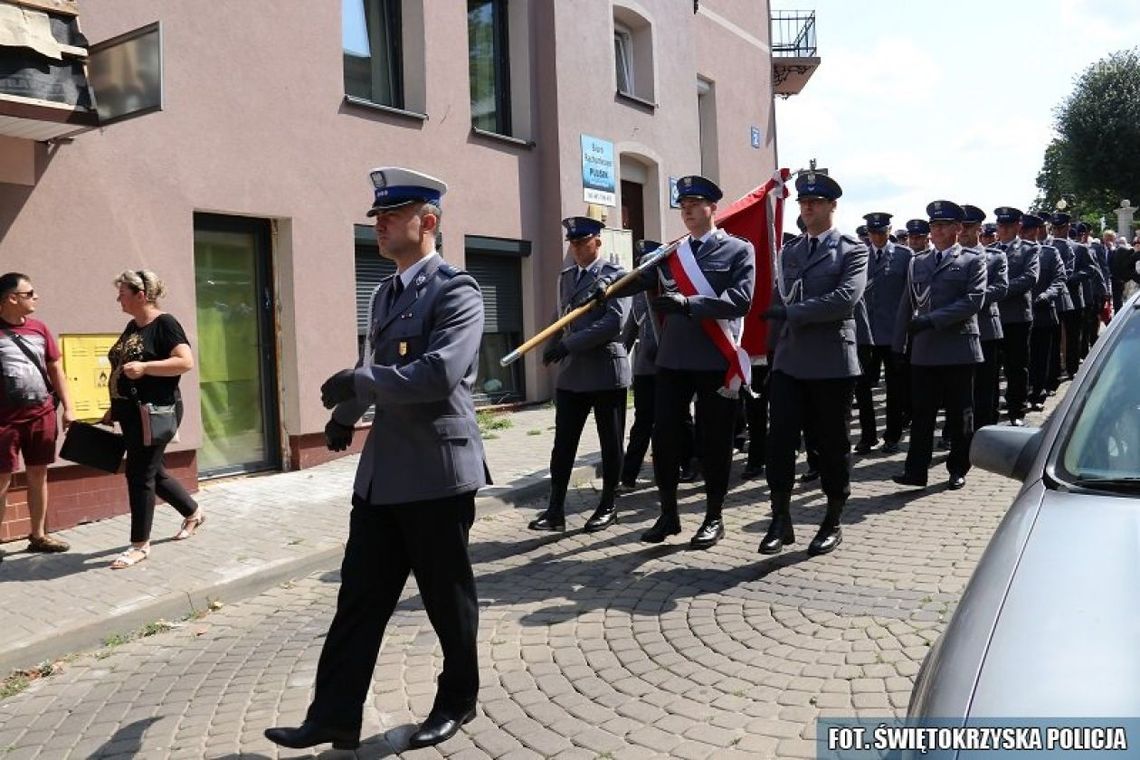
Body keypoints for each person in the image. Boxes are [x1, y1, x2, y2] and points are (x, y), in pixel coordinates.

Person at [266, 168, 488, 752]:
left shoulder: (456, 290)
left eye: (392, 215)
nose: (380, 224)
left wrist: (361, 382)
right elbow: (380, 367)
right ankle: (333, 717)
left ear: (428, 221)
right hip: (384, 474)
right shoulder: (385, 292)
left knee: (446, 599)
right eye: (377, 217)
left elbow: (439, 373)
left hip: (437, 473)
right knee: (359, 599)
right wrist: (348, 412)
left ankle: (458, 698)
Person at [592, 174, 755, 550]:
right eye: (683, 205)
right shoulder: (672, 253)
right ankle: (668, 514)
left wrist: (688, 303)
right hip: (673, 358)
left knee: (714, 441)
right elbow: (639, 278)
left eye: (695, 204)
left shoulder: (737, 250)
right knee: (664, 438)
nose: (687, 211)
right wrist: (608, 288)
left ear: (713, 208)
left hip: (715, 357)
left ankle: (714, 516)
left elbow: (741, 299)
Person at [758, 172, 867, 556]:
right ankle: (780, 518)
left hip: (831, 362)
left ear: (832, 205)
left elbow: (845, 299)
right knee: (779, 442)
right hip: (790, 362)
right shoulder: (790, 252)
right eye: (803, 201)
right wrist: (769, 355)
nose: (807, 207)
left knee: (831, 445)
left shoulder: (852, 250)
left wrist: (792, 313)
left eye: (816, 201)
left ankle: (832, 519)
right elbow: (777, 301)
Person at [528, 216, 630, 532]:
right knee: (563, 444)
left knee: (610, 443)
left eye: (582, 242)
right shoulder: (567, 277)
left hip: (605, 370)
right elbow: (561, 316)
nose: (576, 248)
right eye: (572, 243)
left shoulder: (616, 275)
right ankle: (555, 510)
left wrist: (567, 345)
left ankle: (608, 505)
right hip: (573, 374)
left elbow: (614, 322)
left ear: (597, 241)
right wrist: (551, 344)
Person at [104, 270, 201, 569]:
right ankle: (194, 513)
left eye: (122, 293)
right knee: (153, 472)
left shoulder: (165, 324)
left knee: (139, 474)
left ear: (141, 295)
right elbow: (121, 367)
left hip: (155, 411)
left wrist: (146, 368)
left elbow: (185, 361)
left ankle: (139, 545)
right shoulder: (133, 326)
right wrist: (114, 405)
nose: (118, 298)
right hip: (130, 411)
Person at [892, 201, 985, 490]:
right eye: (934, 225)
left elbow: (973, 301)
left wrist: (931, 320)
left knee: (960, 414)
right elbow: (906, 305)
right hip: (924, 350)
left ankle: (958, 467)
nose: (937, 231)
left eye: (943, 225)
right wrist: (898, 345)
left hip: (958, 348)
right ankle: (915, 471)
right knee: (922, 413)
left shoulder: (972, 259)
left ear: (958, 228)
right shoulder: (918, 262)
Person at [0, 273, 75, 561]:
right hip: (5, 421)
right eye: (29, 293)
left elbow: (56, 370)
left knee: (38, 474)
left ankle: (38, 535)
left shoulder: (39, 328)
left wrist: (69, 407)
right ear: (11, 298)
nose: (36, 297)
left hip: (41, 414)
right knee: (2, 479)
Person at [852, 212, 912, 454]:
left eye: (881, 232)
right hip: (866, 333)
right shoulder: (859, 255)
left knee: (895, 388)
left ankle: (892, 435)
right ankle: (868, 436)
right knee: (863, 388)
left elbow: (911, 295)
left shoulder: (904, 256)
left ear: (889, 231)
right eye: (872, 232)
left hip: (893, 332)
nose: (876, 237)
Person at [959, 207, 1007, 429]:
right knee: (959, 386)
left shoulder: (995, 257)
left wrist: (969, 300)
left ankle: (985, 429)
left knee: (985, 385)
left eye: (968, 227)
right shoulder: (950, 257)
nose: (963, 231)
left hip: (986, 328)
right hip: (957, 330)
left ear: (979, 228)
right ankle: (958, 431)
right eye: (960, 227)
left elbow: (1000, 288)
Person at [993, 207, 1039, 426]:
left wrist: (998, 291)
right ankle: (989, 410)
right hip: (993, 317)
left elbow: (1029, 278)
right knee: (991, 367)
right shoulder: (990, 250)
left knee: (1017, 367)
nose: (1004, 230)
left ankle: (1016, 410)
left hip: (1017, 317)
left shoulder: (1029, 249)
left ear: (1018, 226)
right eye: (1001, 225)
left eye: (1008, 226)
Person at [1022, 214, 1067, 410]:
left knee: (1040, 357)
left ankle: (1037, 393)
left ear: (1037, 230)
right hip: (1016, 315)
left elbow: (1059, 279)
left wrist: (1047, 295)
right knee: (1019, 360)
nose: (1025, 234)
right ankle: (1020, 394)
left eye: (1029, 230)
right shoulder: (1009, 253)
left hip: (1042, 312)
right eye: (1023, 230)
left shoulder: (1049, 253)